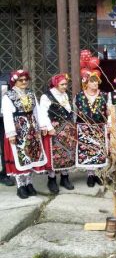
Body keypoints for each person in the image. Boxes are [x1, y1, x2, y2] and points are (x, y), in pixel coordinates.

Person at [2, 70, 49, 199]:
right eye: (20, 80)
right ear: (14, 81)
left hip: (32, 130)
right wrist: (11, 133)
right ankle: (20, 186)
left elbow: (37, 111)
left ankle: (29, 183)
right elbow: (7, 115)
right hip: (18, 131)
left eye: (26, 80)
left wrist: (42, 125)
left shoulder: (31, 93)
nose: (24, 82)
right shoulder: (8, 96)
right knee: (20, 158)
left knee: (31, 158)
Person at [39, 73, 76, 193]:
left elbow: (68, 110)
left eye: (66, 84)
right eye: (62, 84)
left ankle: (65, 178)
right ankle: (52, 179)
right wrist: (49, 127)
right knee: (54, 154)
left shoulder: (64, 94)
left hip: (66, 129)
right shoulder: (46, 96)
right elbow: (43, 113)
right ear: (55, 84)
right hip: (54, 129)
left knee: (66, 153)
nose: (65, 86)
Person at [74, 71, 108, 187]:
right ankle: (90, 175)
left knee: (99, 151)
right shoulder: (79, 96)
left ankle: (98, 174)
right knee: (87, 151)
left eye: (96, 82)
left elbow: (109, 111)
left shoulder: (104, 95)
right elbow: (74, 111)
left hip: (100, 127)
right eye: (92, 81)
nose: (95, 84)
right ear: (86, 83)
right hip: (84, 128)